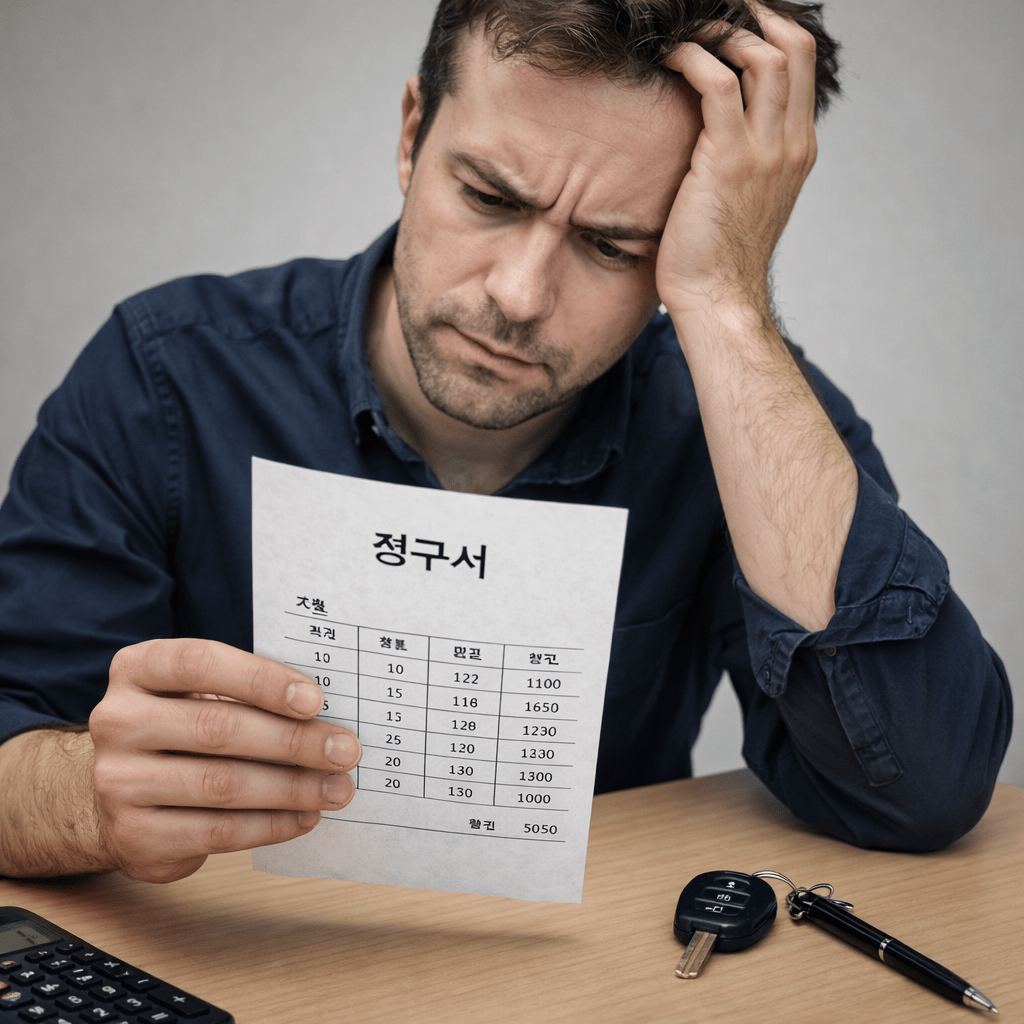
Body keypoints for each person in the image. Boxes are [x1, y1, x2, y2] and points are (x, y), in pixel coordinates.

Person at [0, 0, 1011, 884]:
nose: (519, 296)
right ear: (411, 134)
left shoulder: (739, 415)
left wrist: (726, 303)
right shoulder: (167, 375)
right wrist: (87, 795)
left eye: (614, 245)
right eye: (488, 197)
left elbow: (919, 789)